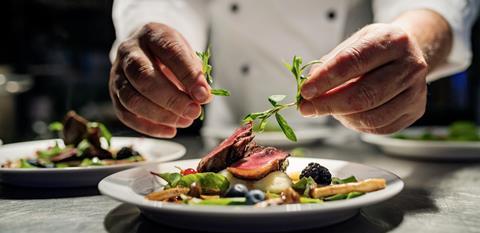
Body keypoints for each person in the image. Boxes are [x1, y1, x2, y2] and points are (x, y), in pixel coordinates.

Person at [109, 0, 478, 138]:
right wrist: (154, 47)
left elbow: (435, 5)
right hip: (226, 136)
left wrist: (411, 38)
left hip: (354, 143)